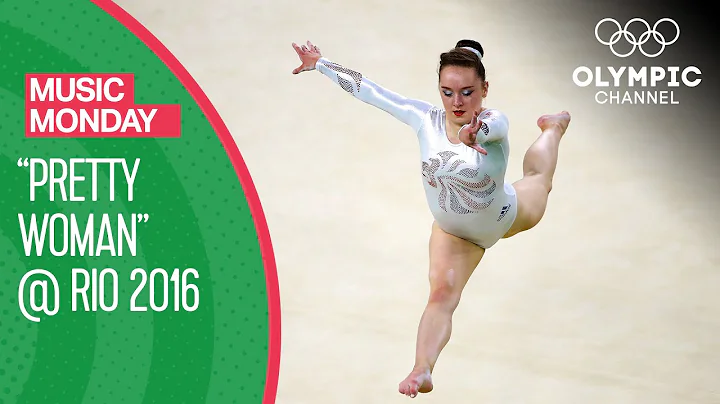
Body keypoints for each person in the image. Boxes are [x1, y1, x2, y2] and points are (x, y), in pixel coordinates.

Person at [291, 39, 571, 398]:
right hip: (453, 234)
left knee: (538, 181)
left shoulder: (494, 122)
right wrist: (322, 64)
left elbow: (490, 129)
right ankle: (422, 368)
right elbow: (371, 91)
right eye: (448, 92)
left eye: (468, 92)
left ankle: (552, 129)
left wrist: (474, 133)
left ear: (484, 89)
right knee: (441, 296)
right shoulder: (425, 119)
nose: (457, 102)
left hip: (506, 214)